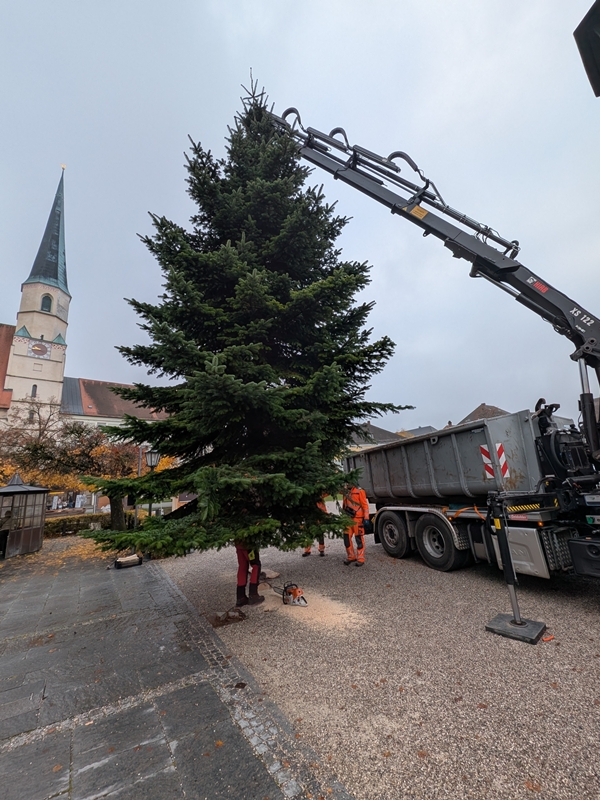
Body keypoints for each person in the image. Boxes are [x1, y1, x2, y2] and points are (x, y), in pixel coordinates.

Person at [343, 484, 370, 566]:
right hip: (348, 518)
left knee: (359, 539)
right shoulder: (346, 492)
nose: (347, 484)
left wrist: (366, 518)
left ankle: (361, 558)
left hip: (357, 519)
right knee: (346, 538)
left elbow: (365, 505)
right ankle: (351, 556)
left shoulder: (360, 491)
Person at [234, 541, 264, 606]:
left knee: (242, 567)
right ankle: (253, 595)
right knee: (256, 566)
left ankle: (240, 597)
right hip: (249, 544)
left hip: (238, 543)